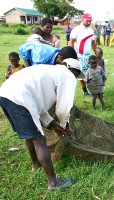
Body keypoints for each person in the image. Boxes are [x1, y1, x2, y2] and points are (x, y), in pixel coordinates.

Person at [0, 58, 85, 191]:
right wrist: (64, 124)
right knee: (39, 139)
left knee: (31, 135)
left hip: (5, 93)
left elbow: (39, 107)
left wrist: (55, 126)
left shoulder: (49, 70)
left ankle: (36, 165)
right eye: (76, 75)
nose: (75, 78)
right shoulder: (68, 75)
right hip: (20, 97)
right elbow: (63, 108)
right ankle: (53, 183)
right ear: (73, 70)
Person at [69, 13, 97, 96]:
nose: (89, 23)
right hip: (79, 55)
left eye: (90, 21)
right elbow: (71, 42)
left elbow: (93, 42)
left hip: (88, 55)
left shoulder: (91, 30)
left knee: (90, 73)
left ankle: (93, 89)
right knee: (81, 74)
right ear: (82, 19)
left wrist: (96, 53)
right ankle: (85, 91)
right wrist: (73, 55)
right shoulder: (76, 29)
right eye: (87, 21)